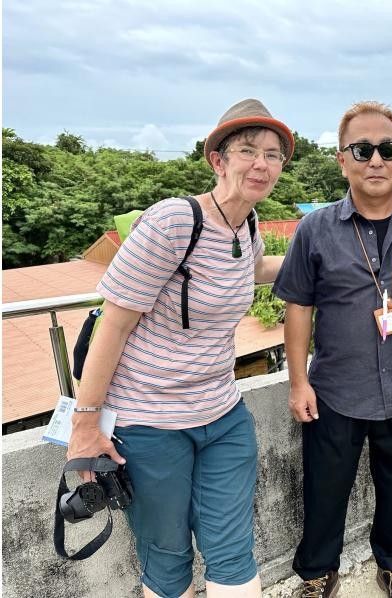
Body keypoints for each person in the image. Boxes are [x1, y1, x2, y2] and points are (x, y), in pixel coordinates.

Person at [66, 98, 294, 598]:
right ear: (219, 159)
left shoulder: (248, 225)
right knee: (167, 559)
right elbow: (114, 326)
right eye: (248, 151)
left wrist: (324, 261)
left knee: (233, 552)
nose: (262, 164)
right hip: (149, 424)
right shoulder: (173, 222)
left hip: (223, 414)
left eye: (274, 154)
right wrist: (85, 429)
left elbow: (252, 270)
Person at [273, 101, 392, 598]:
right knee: (325, 488)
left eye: (388, 149)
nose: (376, 160)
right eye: (363, 149)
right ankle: (316, 573)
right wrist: (297, 381)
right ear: (342, 159)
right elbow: (298, 307)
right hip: (334, 387)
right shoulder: (315, 229)